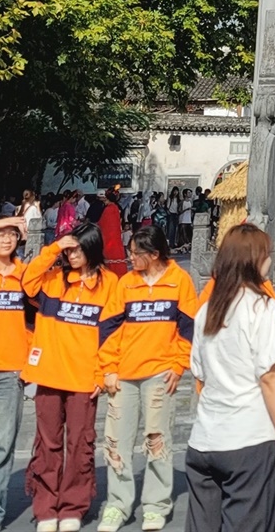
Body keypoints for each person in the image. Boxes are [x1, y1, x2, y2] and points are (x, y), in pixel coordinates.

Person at [185, 223, 275, 532]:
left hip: (205, 440)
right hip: (249, 439)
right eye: (267, 254)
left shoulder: (207, 310)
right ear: (254, 259)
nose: (270, 261)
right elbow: (271, 378)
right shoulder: (264, 308)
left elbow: (199, 373)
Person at [96, 225, 199, 532]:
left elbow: (188, 328)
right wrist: (108, 369)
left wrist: (179, 364)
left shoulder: (179, 280)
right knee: (116, 441)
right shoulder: (125, 283)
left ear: (154, 255)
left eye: (135, 254)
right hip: (124, 375)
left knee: (157, 439)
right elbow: (108, 328)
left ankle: (156, 505)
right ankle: (118, 504)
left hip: (160, 373)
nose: (130, 258)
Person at [22, 220, 120, 532]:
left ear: (92, 248)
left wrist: (102, 373)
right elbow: (28, 281)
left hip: (84, 379)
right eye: (69, 248)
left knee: (80, 444)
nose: (72, 254)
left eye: (77, 248)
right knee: (47, 443)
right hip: (49, 374)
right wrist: (54, 247)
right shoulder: (53, 278)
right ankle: (46, 506)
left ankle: (74, 507)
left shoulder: (110, 284)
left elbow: (113, 334)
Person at [0, 217, 30, 532]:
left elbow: (41, 318)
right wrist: (7, 219)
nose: (6, 239)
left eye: (13, 235)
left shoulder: (26, 276)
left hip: (9, 373)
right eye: (0, 235)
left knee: (1, 447)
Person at [98, 190, 127, 277]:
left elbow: (102, 224)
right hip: (116, 238)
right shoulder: (115, 208)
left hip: (108, 238)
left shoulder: (108, 209)